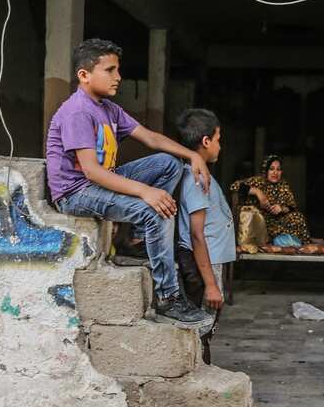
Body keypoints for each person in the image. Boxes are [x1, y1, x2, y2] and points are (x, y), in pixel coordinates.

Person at [46, 38, 211, 330]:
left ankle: (136, 238)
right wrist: (145, 191)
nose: (118, 77)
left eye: (117, 70)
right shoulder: (77, 112)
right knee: (154, 209)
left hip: (98, 183)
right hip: (76, 192)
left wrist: (191, 156)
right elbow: (92, 172)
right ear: (84, 75)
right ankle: (169, 297)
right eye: (110, 70)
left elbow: (150, 138)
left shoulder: (107, 108)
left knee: (169, 163)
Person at [174, 108, 234, 364]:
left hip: (212, 259)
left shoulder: (200, 173)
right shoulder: (197, 178)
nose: (220, 146)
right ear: (206, 141)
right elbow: (197, 235)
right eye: (218, 139)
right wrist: (211, 284)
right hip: (205, 263)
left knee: (207, 324)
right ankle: (199, 372)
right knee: (203, 325)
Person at [230, 154, 309, 244]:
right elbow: (234, 186)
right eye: (271, 169)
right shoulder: (258, 181)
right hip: (261, 223)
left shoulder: (283, 185)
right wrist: (257, 192)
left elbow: (291, 207)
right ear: (266, 170)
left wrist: (281, 209)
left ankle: (299, 244)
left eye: (278, 169)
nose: (275, 173)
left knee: (297, 217)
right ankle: (279, 240)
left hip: (278, 222)